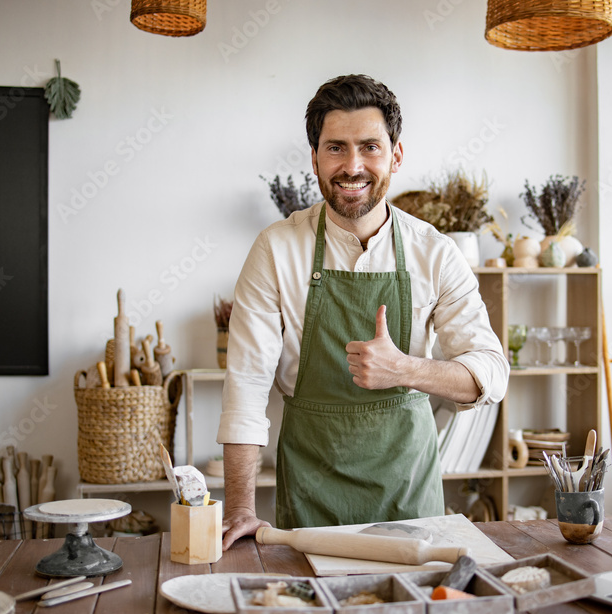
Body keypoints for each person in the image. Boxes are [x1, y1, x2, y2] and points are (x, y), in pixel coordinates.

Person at [217, 74, 508, 549]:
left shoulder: (435, 253)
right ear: (314, 158)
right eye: (336, 148)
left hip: (409, 496)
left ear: (395, 155)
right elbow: (246, 387)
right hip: (312, 496)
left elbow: (491, 373)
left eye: (370, 147)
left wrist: (406, 369)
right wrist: (240, 510)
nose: (353, 166)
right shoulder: (276, 249)